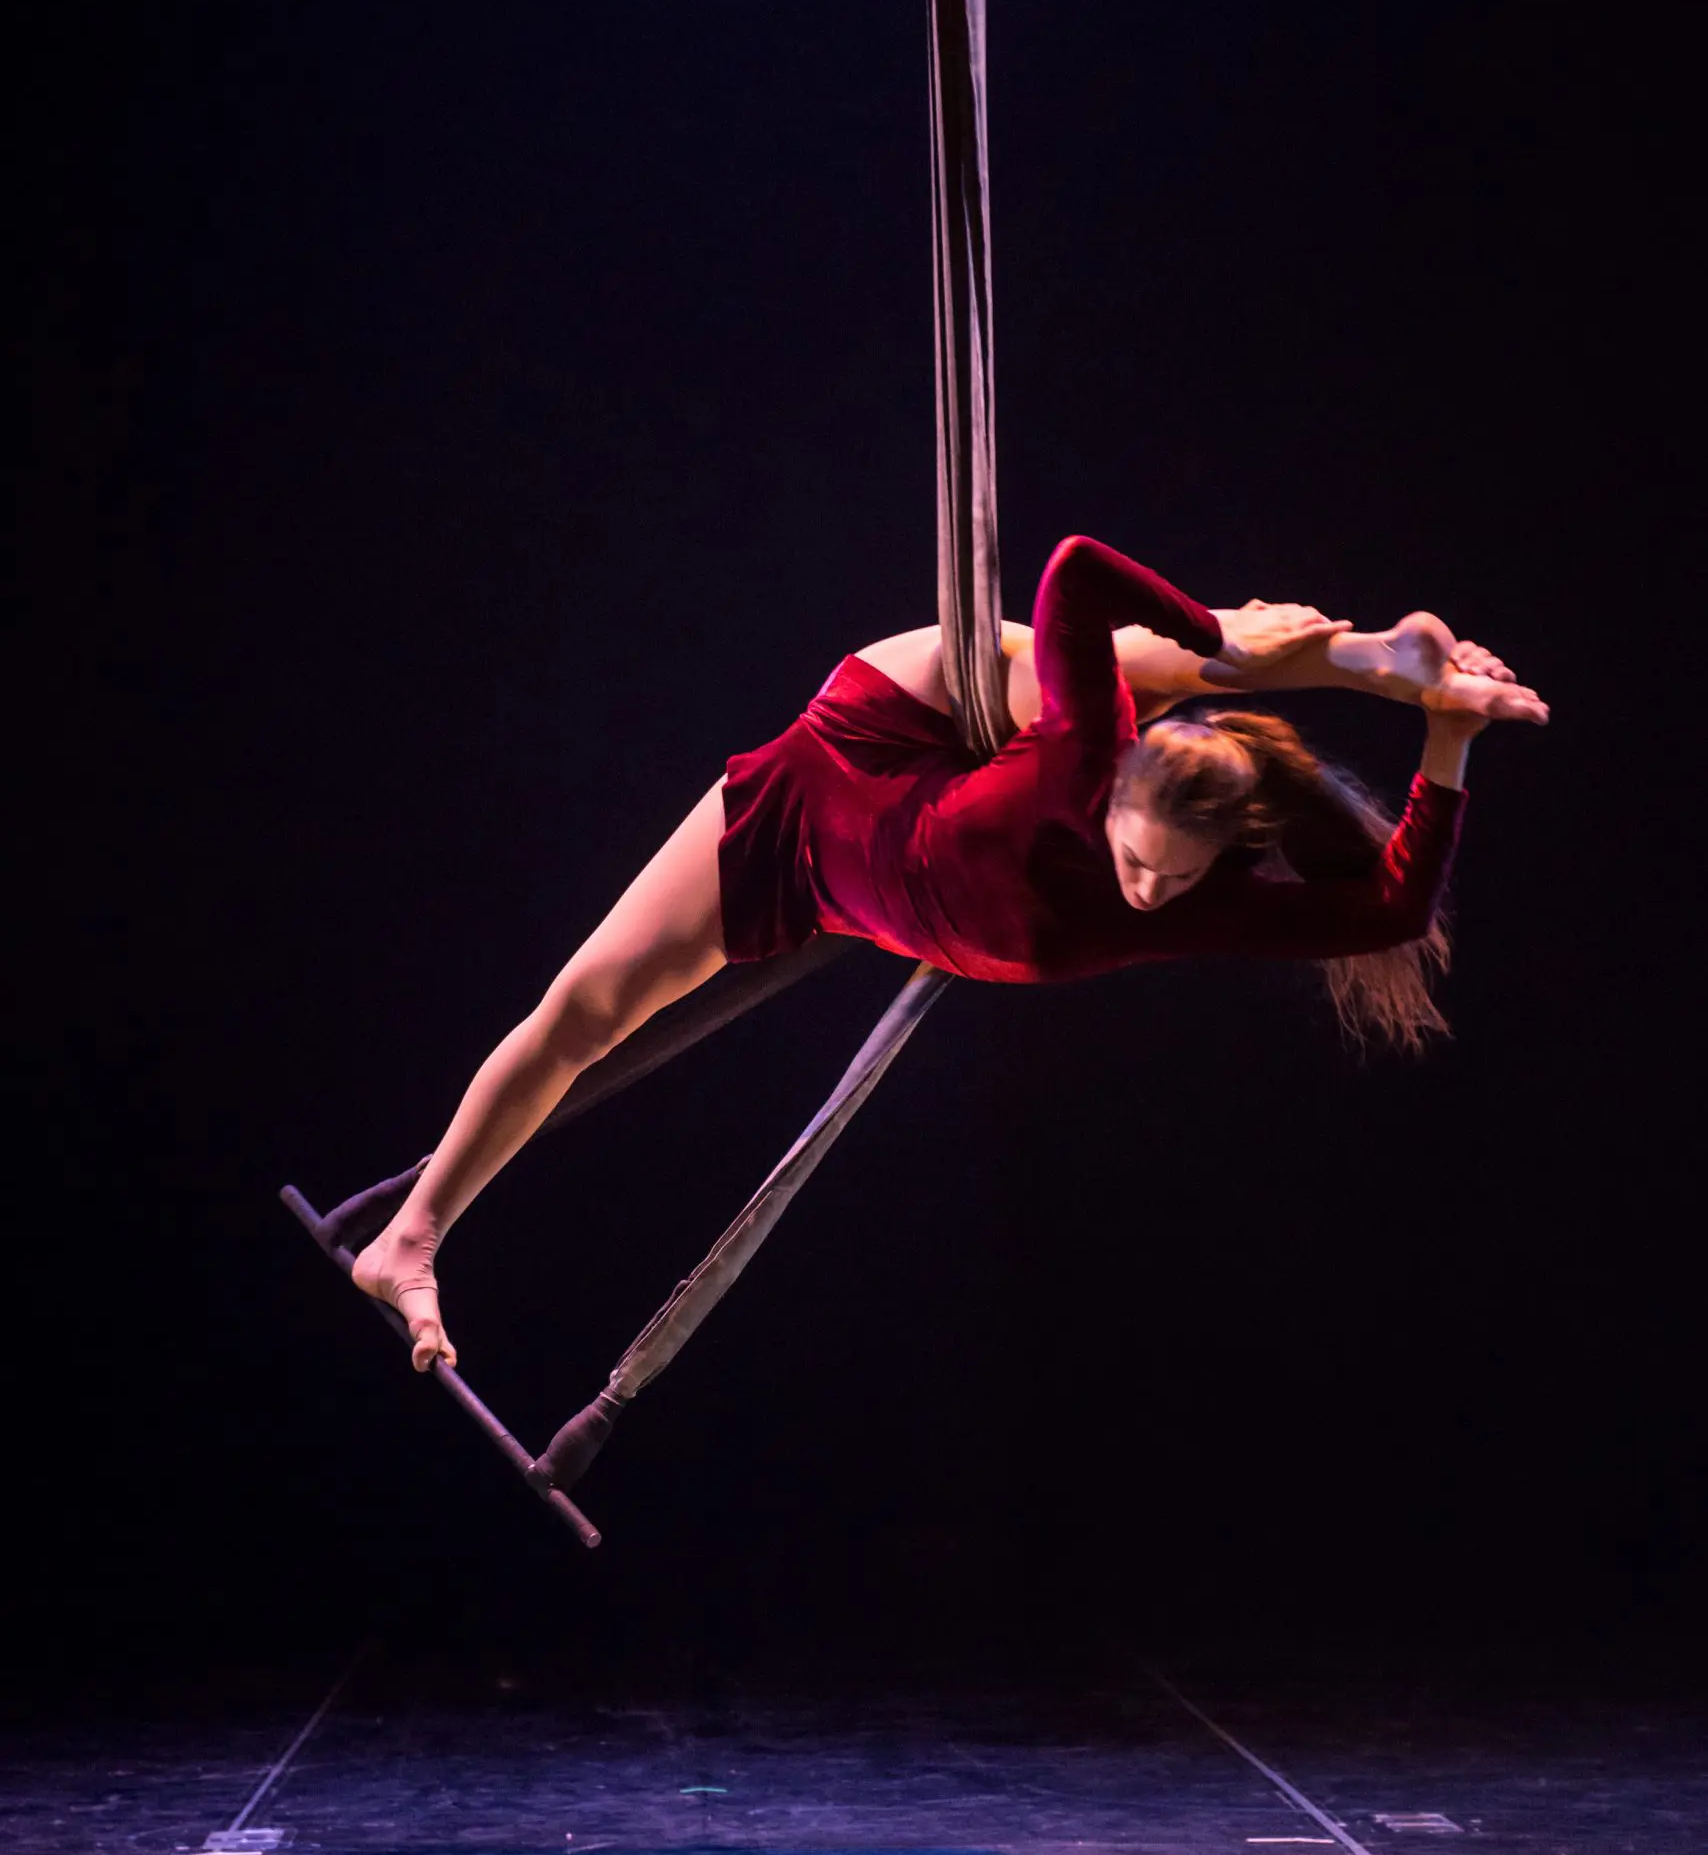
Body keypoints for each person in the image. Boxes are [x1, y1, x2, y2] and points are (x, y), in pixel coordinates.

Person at [354, 535, 1547, 1369]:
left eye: (1168, 878)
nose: (1142, 891)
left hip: (850, 872)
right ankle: (413, 1235)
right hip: (864, 748)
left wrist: (1448, 747)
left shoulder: (1202, 902)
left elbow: (1387, 910)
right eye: (1134, 859)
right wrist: (1211, 626)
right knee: (585, 1008)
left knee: (1120, 671)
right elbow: (1078, 568)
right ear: (1116, 787)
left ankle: (1391, 671)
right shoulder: (1091, 752)